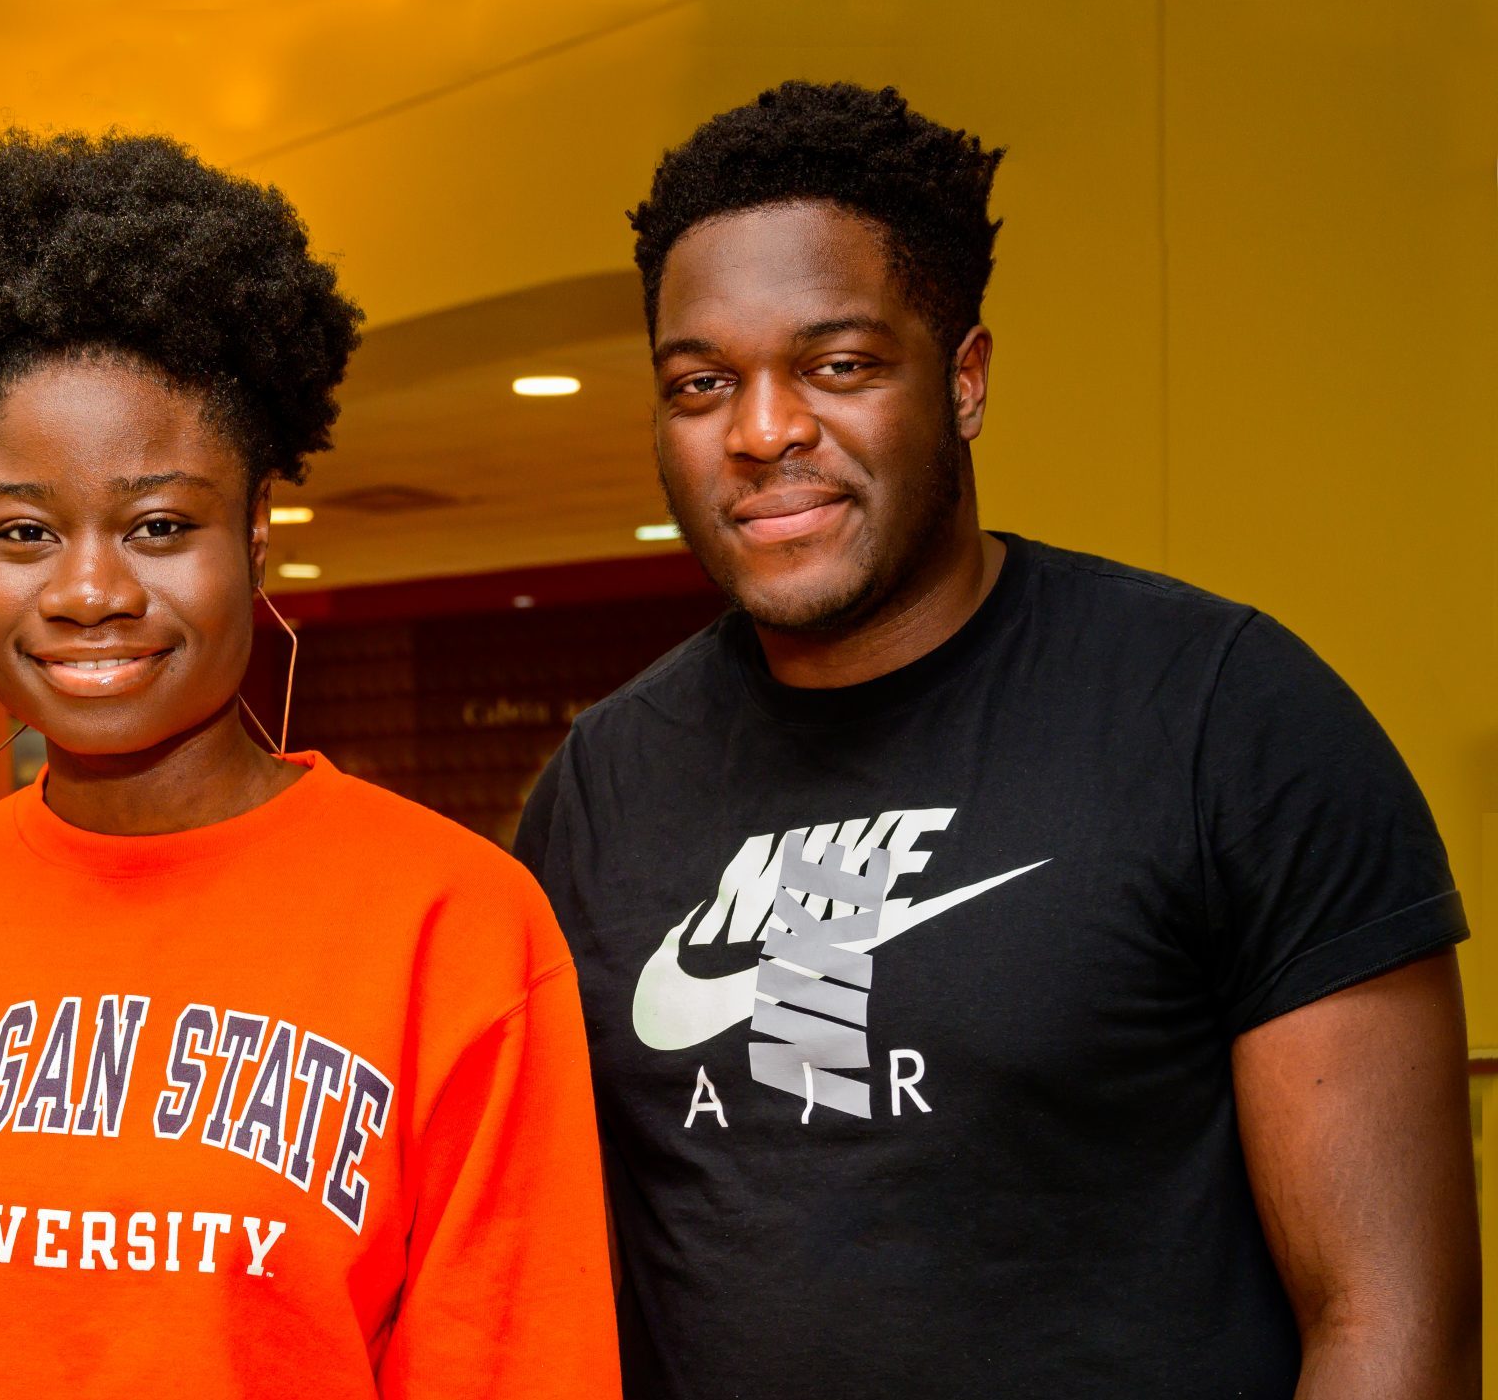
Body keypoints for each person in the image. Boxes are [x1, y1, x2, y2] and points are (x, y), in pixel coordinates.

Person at [514, 81, 1478, 1398]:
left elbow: (1388, 1325)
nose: (762, 431)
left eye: (838, 365)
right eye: (701, 383)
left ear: (962, 380)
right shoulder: (599, 788)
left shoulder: (1228, 717)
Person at [0, 130, 618, 1399]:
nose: (89, 590)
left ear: (256, 531)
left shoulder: (454, 927)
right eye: (24, 532)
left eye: (159, 525)